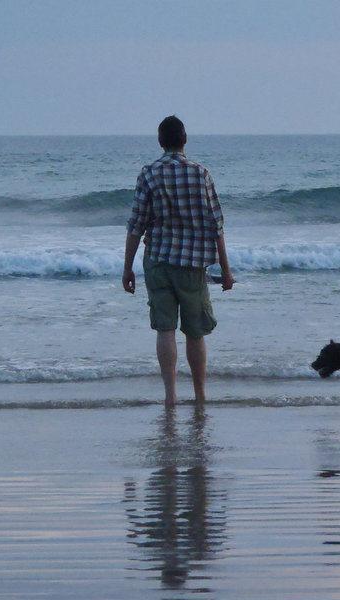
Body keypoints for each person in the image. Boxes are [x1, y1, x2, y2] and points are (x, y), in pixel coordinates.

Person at [123, 115, 234, 408]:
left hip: (158, 260)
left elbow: (136, 225)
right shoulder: (201, 174)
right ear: (185, 140)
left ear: (161, 142)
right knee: (195, 331)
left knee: (165, 328)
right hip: (193, 264)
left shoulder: (149, 173)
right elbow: (216, 225)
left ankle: (170, 396)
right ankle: (199, 395)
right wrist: (226, 269)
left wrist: (127, 268)